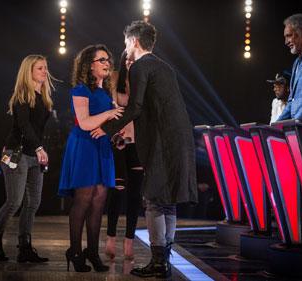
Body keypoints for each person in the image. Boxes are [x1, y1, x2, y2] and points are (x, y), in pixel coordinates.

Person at [91, 20, 198, 279]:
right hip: (181, 137)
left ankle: (159, 262)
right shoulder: (165, 66)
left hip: (162, 139)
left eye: (126, 42)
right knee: (168, 200)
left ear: (134, 42)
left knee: (153, 200)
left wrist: (106, 128)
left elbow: (135, 107)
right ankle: (164, 260)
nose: (125, 47)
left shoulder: (140, 66)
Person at [58, 44, 124, 273]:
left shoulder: (107, 91)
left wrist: (112, 126)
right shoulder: (80, 90)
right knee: (83, 201)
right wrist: (107, 114)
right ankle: (75, 251)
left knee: (98, 201)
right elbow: (85, 123)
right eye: (102, 60)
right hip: (84, 146)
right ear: (89, 65)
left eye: (108, 59)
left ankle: (93, 252)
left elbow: (114, 120)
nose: (107, 63)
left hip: (102, 147)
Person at [0, 54, 53, 263]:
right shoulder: (22, 96)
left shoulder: (44, 96)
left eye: (45, 68)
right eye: (40, 68)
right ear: (29, 71)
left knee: (34, 202)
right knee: (14, 201)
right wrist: (40, 147)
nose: (44, 71)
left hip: (34, 155)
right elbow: (24, 126)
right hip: (15, 153)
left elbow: (39, 129)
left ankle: (25, 248)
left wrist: (40, 150)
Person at [105, 51, 144, 262]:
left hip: (138, 143)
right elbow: (108, 111)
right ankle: (110, 237)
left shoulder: (144, 80)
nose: (131, 63)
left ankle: (129, 241)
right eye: (128, 59)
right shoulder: (113, 77)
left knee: (135, 195)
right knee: (117, 190)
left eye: (135, 60)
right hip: (118, 140)